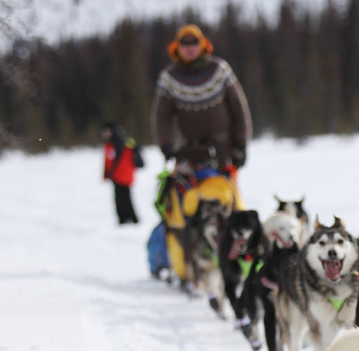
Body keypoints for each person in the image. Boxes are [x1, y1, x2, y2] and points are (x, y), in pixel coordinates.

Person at [152, 24, 252, 171]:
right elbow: (161, 116)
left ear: (203, 44)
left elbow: (239, 108)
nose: (190, 48)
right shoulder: (168, 78)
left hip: (223, 153)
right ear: (177, 47)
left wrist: (241, 145)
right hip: (188, 155)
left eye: (194, 42)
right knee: (183, 194)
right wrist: (166, 144)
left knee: (223, 193)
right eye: (185, 43)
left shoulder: (220, 70)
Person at [101, 123, 143, 224]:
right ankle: (128, 219)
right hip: (120, 176)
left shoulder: (117, 143)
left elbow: (115, 160)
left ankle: (129, 219)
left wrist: (109, 173)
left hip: (121, 175)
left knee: (123, 199)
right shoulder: (119, 142)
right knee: (122, 198)